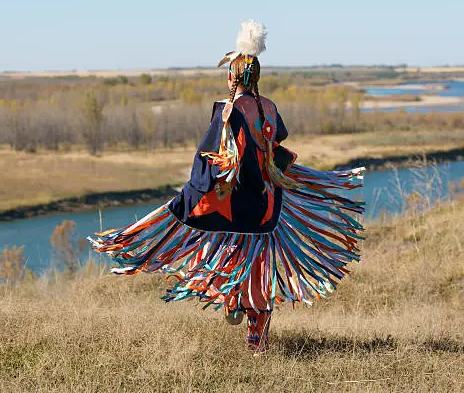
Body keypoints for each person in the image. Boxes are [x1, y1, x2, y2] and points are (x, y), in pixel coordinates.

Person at [88, 20, 364, 355]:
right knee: (259, 267)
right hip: (264, 208)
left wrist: (190, 195)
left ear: (231, 76)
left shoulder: (226, 111)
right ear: (257, 77)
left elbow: (208, 159)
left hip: (231, 207)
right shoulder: (271, 108)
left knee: (228, 257)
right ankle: (255, 331)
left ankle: (234, 299)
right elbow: (272, 147)